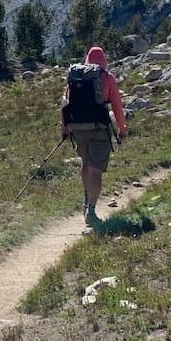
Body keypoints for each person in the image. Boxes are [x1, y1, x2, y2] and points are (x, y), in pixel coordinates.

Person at [60, 46, 127, 227]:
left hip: (77, 128)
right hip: (99, 128)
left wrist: (65, 129)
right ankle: (91, 208)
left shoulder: (75, 77)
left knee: (86, 163)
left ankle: (86, 197)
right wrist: (122, 128)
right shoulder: (107, 78)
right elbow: (117, 106)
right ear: (103, 59)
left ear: (88, 60)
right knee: (96, 168)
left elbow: (64, 104)